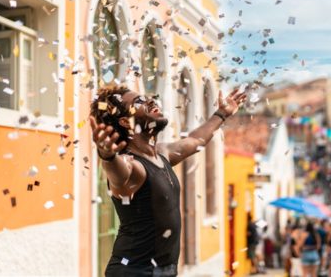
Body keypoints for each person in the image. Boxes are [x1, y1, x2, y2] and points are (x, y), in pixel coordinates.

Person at [90, 85, 246, 276]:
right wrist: (106, 155)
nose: (150, 100)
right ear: (125, 121)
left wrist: (221, 114)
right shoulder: (131, 164)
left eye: (146, 97)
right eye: (138, 101)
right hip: (133, 272)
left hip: (165, 271)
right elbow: (118, 174)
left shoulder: (162, 154)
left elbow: (196, 140)